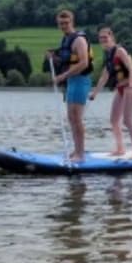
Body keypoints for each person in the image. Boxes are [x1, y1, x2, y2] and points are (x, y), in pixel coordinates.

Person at [48, 10, 94, 162]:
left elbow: (84, 63)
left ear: (72, 22)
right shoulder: (65, 39)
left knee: (77, 118)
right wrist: (53, 57)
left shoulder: (79, 40)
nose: (64, 26)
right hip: (71, 82)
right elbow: (66, 60)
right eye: (61, 23)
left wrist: (62, 76)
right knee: (71, 118)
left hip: (81, 80)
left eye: (66, 23)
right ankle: (76, 151)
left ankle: (81, 154)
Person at [89, 27, 132, 158]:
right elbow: (104, 76)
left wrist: (130, 83)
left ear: (111, 37)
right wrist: (94, 93)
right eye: (101, 38)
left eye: (105, 37)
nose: (103, 40)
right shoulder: (108, 55)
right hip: (120, 88)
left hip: (130, 87)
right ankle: (120, 148)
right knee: (113, 120)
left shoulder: (120, 51)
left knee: (128, 121)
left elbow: (131, 68)